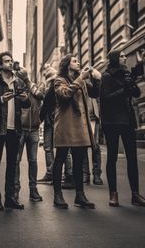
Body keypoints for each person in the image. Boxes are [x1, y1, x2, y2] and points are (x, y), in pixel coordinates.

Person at [0, 52, 30, 211]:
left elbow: (27, 104)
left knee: (12, 164)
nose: (10, 63)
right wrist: (1, 99)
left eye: (11, 60)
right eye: (7, 61)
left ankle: (10, 198)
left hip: (14, 129)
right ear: (0, 65)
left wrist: (25, 100)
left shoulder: (19, 82)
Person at [52, 54, 100, 209]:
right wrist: (81, 78)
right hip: (65, 127)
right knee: (60, 159)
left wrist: (96, 78)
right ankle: (58, 195)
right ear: (67, 65)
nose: (78, 62)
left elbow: (95, 94)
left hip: (79, 127)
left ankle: (80, 196)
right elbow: (65, 94)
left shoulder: (82, 81)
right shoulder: (59, 80)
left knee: (79, 161)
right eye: (74, 61)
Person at [100, 49, 145, 207]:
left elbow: (137, 93)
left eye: (125, 55)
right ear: (114, 59)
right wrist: (123, 90)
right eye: (122, 56)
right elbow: (105, 99)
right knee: (112, 157)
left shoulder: (126, 73)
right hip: (111, 122)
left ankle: (135, 194)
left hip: (127, 121)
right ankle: (113, 194)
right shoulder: (106, 76)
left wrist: (132, 82)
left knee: (132, 157)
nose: (125, 57)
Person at [38, 66, 74, 189]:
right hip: (49, 122)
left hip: (59, 122)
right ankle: (50, 173)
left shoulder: (59, 86)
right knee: (48, 148)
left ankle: (68, 175)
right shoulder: (48, 90)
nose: (52, 82)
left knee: (64, 150)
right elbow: (44, 106)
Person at [14, 67, 44, 202]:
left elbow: (40, 95)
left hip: (34, 129)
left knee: (33, 161)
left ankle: (33, 190)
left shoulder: (33, 87)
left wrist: (27, 80)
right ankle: (15, 190)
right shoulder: (16, 86)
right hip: (20, 130)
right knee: (16, 161)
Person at [82, 96, 103, 185]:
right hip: (82, 117)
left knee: (96, 146)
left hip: (94, 116)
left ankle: (97, 174)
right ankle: (85, 174)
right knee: (83, 147)